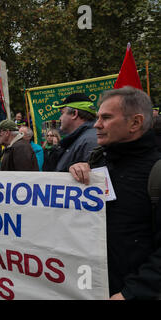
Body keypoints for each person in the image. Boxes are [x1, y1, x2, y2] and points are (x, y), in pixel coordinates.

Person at [69, 86, 161, 299]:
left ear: (135, 123)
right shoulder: (98, 160)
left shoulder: (156, 172)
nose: (96, 124)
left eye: (106, 118)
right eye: (98, 117)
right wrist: (76, 175)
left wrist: (130, 294)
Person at [52, 93, 98, 172]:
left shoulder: (90, 141)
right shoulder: (81, 139)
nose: (60, 118)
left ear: (74, 114)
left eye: (62, 113)